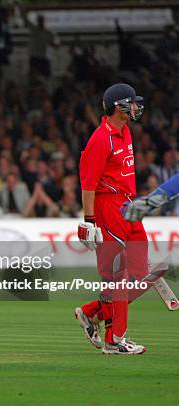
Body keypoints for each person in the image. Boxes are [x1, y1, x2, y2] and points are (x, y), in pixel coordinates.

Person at [76, 83, 149, 355]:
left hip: (129, 206)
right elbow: (88, 184)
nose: (136, 107)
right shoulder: (100, 139)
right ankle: (115, 340)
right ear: (118, 106)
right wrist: (89, 220)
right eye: (132, 103)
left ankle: (91, 311)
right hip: (108, 206)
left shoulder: (125, 131)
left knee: (141, 273)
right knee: (119, 276)